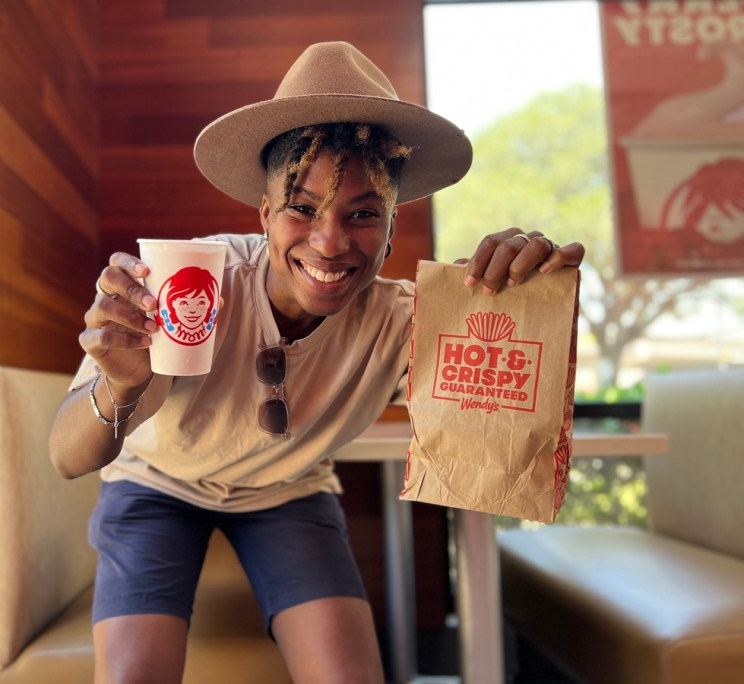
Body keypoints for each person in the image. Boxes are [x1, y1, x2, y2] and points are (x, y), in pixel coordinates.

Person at [49, 41, 585, 684]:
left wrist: (530, 302)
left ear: (391, 228)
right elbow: (66, 456)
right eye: (302, 208)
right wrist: (121, 383)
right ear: (265, 214)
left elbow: (494, 417)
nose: (329, 243)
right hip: (153, 486)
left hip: (289, 491)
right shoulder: (191, 282)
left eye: (363, 214)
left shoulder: (402, 321)